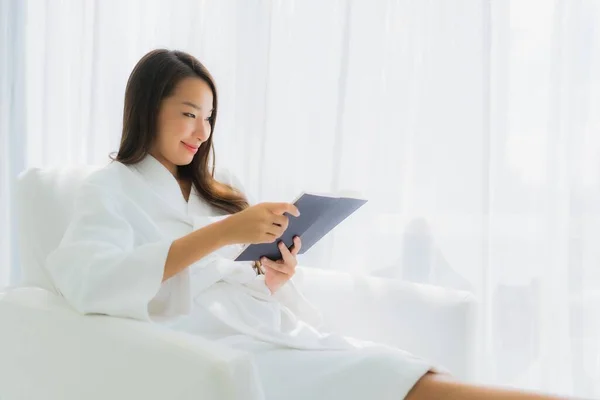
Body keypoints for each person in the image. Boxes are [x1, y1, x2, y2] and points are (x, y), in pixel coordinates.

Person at [44, 49, 566, 400]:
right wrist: (224, 235)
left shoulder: (218, 184)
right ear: (146, 109)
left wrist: (272, 277)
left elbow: (240, 279)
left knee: (413, 372)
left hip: (263, 331)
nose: (201, 132)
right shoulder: (107, 189)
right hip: (204, 352)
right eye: (188, 113)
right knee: (411, 384)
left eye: (209, 118)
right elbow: (94, 282)